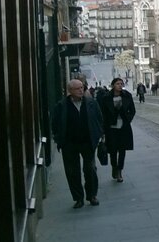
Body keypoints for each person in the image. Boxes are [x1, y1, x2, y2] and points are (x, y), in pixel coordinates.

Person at [51, 79, 103, 208]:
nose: (81, 90)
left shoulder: (91, 103)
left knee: (90, 169)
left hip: (87, 142)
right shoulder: (61, 106)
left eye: (82, 88)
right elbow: (55, 124)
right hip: (69, 144)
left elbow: (99, 119)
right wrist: (59, 139)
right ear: (70, 91)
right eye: (77, 88)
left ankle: (92, 195)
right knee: (72, 171)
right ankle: (78, 198)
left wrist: (99, 136)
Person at [99, 78, 136, 183]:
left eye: (121, 84)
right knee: (113, 151)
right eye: (117, 84)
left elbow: (132, 110)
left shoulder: (127, 95)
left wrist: (127, 119)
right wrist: (104, 128)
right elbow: (103, 113)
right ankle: (114, 167)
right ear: (113, 85)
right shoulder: (106, 97)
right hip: (111, 128)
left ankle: (119, 171)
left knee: (122, 150)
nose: (120, 85)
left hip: (124, 127)